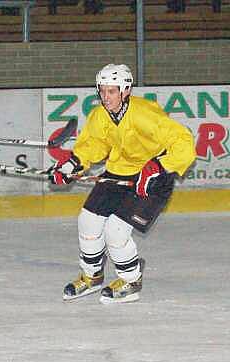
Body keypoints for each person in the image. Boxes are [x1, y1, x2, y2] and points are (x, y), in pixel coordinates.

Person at [48, 64, 195, 304]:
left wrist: (159, 166)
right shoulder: (99, 116)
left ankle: (130, 280)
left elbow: (183, 141)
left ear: (125, 90)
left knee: (115, 231)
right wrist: (69, 166)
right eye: (102, 91)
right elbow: (91, 147)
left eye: (112, 91)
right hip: (117, 174)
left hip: (152, 180)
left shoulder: (145, 114)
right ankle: (92, 276)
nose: (106, 97)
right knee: (88, 220)